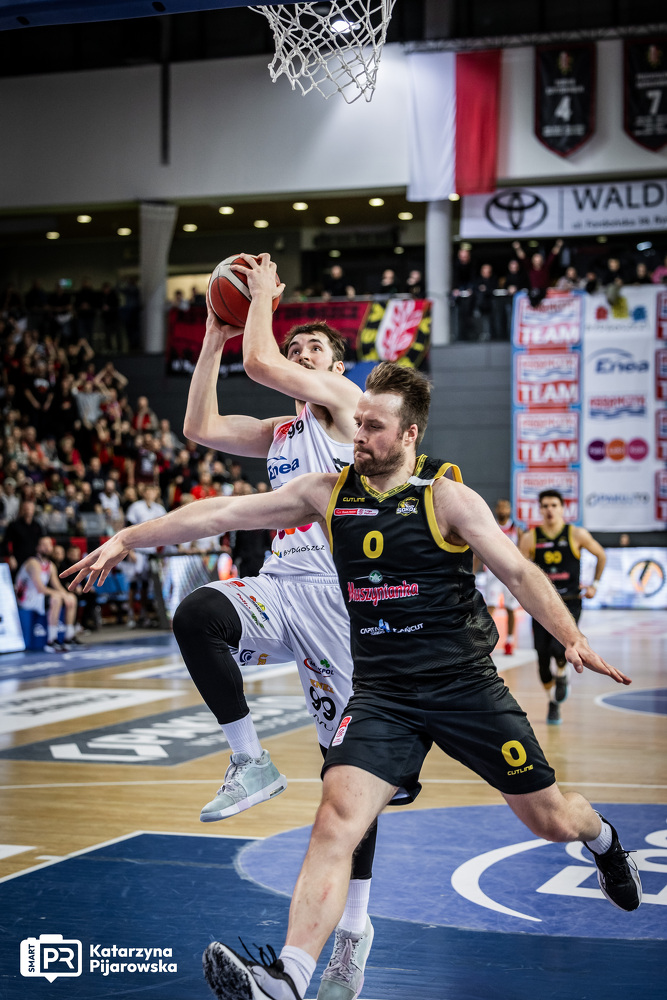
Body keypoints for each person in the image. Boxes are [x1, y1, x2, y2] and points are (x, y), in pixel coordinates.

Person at [64, 362, 642, 1000]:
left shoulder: (447, 497)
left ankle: (606, 841)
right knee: (336, 819)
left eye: (373, 427)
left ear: (410, 434)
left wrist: (571, 636)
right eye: (358, 422)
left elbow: (520, 573)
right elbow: (223, 512)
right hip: (383, 694)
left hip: (464, 686)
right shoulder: (327, 492)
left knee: (552, 820)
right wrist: (129, 537)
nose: (358, 435)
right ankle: (289, 977)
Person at [179, 252, 374, 999]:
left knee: (347, 781)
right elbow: (199, 426)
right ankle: (249, 759)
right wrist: (212, 338)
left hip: (341, 603)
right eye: (297, 347)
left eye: (312, 348)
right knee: (198, 613)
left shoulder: (346, 404)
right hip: (282, 585)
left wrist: (260, 299)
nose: (301, 355)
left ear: (337, 366)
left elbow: (262, 361)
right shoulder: (282, 431)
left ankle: (353, 930)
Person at [519, 489, 606, 726]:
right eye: (545, 505)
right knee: (541, 658)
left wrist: (595, 585)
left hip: (569, 602)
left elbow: (601, 555)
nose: (549, 509)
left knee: (559, 648)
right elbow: (520, 570)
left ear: (562, 508)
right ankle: (553, 702)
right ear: (540, 509)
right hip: (541, 604)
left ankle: (562, 674)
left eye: (554, 505)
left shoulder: (576, 534)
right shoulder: (530, 538)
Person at [16, 535, 81, 652]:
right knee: (56, 598)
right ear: (38, 547)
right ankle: (51, 641)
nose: (47, 547)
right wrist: (61, 595)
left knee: (71, 598)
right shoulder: (33, 563)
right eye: (44, 545)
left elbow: (57, 586)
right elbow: (40, 588)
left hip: (38, 597)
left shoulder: (50, 565)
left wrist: (66, 595)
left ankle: (69, 637)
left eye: (49, 545)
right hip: (26, 598)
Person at [479, 498, 523, 655]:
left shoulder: (517, 530)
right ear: (496, 510)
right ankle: (487, 641)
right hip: (493, 573)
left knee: (510, 608)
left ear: (510, 510)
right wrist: (473, 569)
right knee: (490, 606)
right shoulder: (490, 527)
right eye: (500, 507)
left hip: (510, 573)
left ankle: (509, 641)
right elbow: (479, 549)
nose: (503, 510)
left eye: (506, 507)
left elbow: (523, 552)